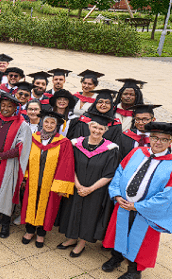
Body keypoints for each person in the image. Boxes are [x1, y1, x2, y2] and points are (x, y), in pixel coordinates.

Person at [102, 122, 172, 279]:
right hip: (124, 204)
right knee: (119, 231)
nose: (158, 142)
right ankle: (117, 257)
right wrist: (117, 195)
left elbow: (168, 194)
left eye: (163, 139)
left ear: (170, 142)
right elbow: (120, 172)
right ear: (149, 138)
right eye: (154, 137)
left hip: (146, 211)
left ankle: (134, 270)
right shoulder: (137, 152)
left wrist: (139, 206)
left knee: (141, 241)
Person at [58, 113, 119, 258]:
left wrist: (90, 189)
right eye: (94, 127)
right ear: (89, 126)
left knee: (89, 215)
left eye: (101, 129)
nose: (97, 131)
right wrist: (78, 185)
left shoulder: (111, 149)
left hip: (96, 190)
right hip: (76, 185)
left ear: (105, 131)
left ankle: (81, 243)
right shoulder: (76, 144)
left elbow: (109, 174)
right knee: (72, 210)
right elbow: (69, 165)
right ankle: (72, 238)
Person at [0, 93, 32, 239]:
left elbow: (22, 147)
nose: (6, 108)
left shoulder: (22, 124)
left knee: (7, 192)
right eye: (3, 105)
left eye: (9, 106)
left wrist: (2, 155)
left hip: (9, 163)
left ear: (15, 108)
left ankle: (5, 225)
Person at [19, 110, 75, 248]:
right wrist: (25, 177)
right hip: (32, 179)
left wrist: (61, 187)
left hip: (50, 183)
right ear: (42, 123)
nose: (49, 125)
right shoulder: (33, 138)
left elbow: (66, 164)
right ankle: (30, 230)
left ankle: (41, 234)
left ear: (56, 125)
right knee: (31, 204)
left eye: (52, 123)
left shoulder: (63, 142)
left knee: (48, 207)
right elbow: (25, 157)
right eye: (46, 122)